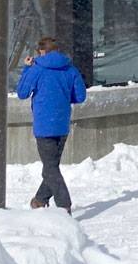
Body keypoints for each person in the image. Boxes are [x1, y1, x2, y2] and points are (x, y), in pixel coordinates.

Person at [15, 36, 88, 211]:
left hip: (44, 125)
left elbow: (22, 93)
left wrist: (26, 68)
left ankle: (64, 206)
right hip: (62, 124)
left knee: (50, 169)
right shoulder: (70, 69)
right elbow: (80, 96)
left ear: (41, 51)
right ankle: (40, 200)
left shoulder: (37, 69)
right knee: (52, 167)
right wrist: (62, 97)